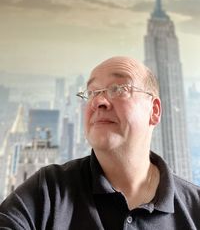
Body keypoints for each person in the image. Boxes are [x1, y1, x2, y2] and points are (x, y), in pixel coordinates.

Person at [0, 56, 200, 230]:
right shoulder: (48, 190)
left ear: (154, 111)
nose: (98, 101)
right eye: (92, 92)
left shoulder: (195, 208)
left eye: (119, 88)